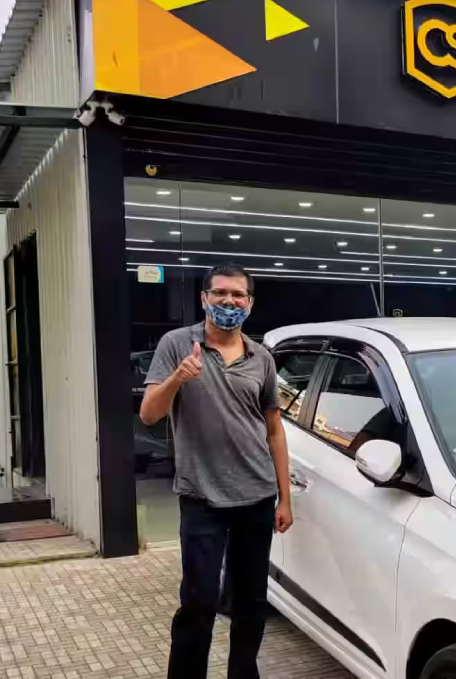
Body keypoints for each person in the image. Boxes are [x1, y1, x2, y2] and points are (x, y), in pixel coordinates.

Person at [139, 264, 292, 679]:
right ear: (204, 298)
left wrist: (285, 498)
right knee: (199, 601)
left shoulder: (262, 357)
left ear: (250, 303)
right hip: (201, 497)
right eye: (220, 293)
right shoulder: (177, 344)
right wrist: (177, 378)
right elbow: (150, 413)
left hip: (257, 497)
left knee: (250, 602)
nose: (229, 302)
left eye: (238, 295)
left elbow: (274, 430)